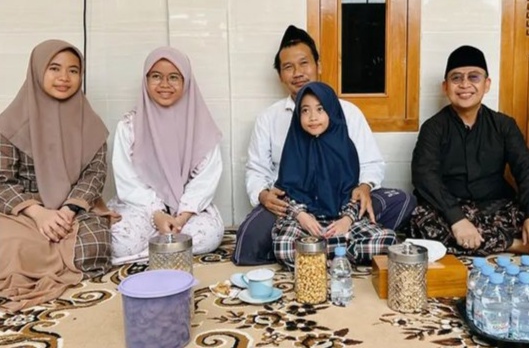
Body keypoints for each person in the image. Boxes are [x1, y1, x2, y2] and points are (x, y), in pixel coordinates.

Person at [234, 25, 415, 265]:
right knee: (249, 238)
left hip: (344, 200)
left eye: (304, 63)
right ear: (280, 75)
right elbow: (256, 170)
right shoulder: (268, 118)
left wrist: (364, 187)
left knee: (402, 201)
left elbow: (371, 163)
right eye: (288, 67)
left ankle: (314, 249)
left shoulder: (348, 112)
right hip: (291, 205)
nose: (298, 73)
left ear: (318, 65)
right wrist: (263, 195)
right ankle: (340, 246)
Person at [410, 45, 529, 258]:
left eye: (474, 77)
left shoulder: (504, 125)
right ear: (446, 87)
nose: (465, 84)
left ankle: (487, 241)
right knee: (422, 221)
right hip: (451, 206)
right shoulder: (433, 128)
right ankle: (517, 244)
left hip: (496, 206)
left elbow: (526, 168)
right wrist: (457, 219)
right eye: (456, 78)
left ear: (486, 84)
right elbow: (424, 175)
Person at [0, 40, 113, 312]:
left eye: (73, 71)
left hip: (73, 212)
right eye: (54, 68)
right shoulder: (9, 124)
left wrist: (67, 211)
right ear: (37, 71)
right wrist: (39, 214)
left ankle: (34, 259)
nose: (64, 77)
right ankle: (45, 256)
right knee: (9, 241)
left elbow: (95, 174)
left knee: (97, 243)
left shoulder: (91, 123)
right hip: (23, 214)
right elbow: (2, 181)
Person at [108, 47, 224, 265]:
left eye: (173, 77)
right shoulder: (129, 126)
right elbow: (128, 179)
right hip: (143, 208)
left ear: (186, 81)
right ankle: (172, 247)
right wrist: (157, 214)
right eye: (156, 76)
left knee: (209, 234)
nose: (164, 84)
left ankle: (152, 250)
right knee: (121, 241)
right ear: (146, 80)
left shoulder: (201, 126)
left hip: (187, 211)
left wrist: (183, 215)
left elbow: (206, 178)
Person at [272, 82, 396, 266]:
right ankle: (338, 254)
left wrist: (347, 220)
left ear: (332, 110)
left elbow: (353, 193)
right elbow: (285, 192)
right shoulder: (294, 147)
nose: (313, 117)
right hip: (305, 221)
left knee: (387, 240)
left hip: (340, 219)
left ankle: (315, 254)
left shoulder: (344, 148)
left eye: (320, 109)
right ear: (298, 115)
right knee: (283, 246)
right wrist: (301, 216)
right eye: (305, 110)